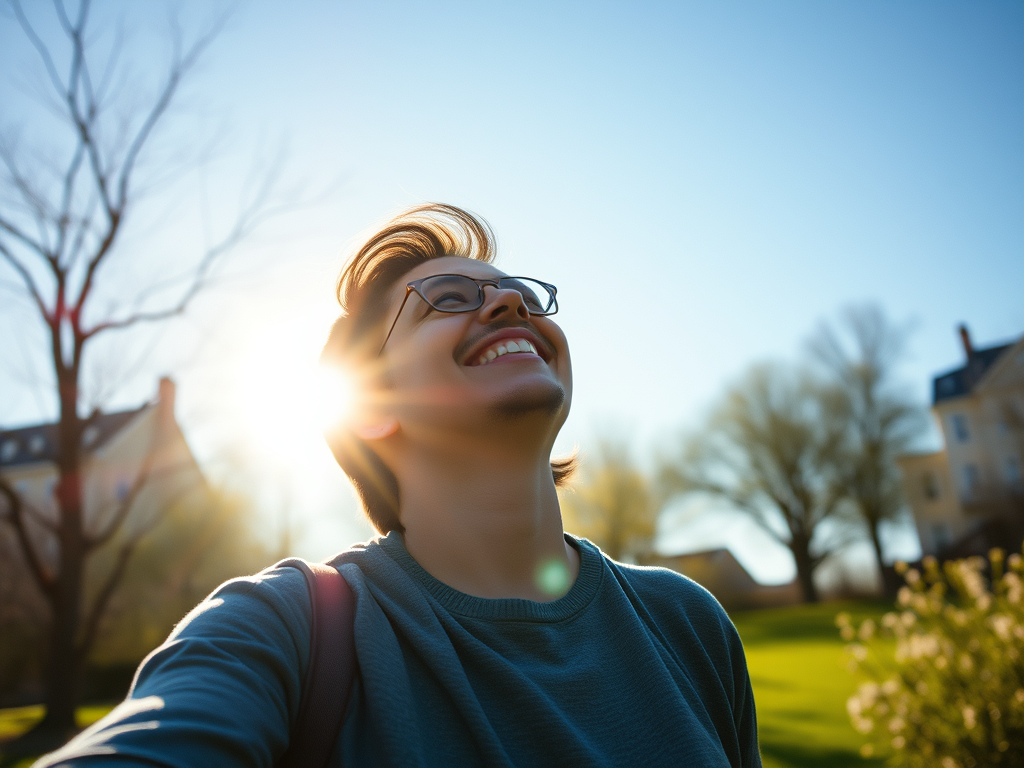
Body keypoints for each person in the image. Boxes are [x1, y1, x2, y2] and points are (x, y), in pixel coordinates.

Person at [39, 204, 761, 767]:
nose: (509, 306)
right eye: (447, 298)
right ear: (373, 405)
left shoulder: (688, 625)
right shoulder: (282, 628)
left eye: (522, 296)